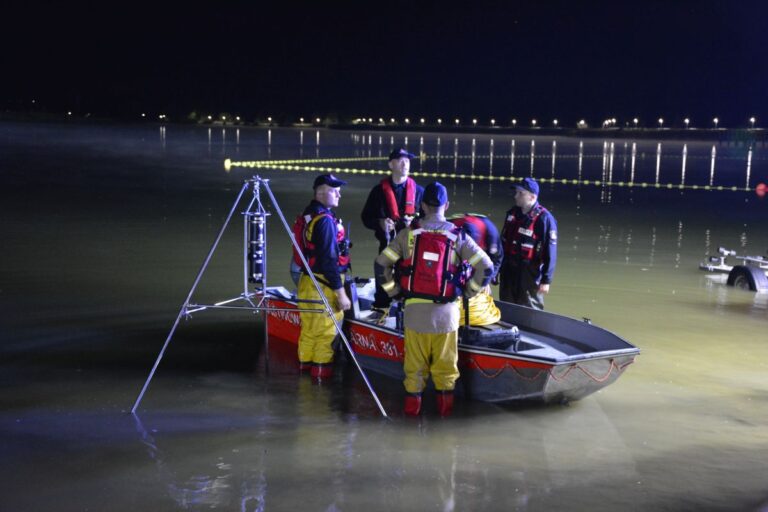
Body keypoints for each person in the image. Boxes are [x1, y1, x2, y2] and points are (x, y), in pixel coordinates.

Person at [374, 182, 493, 417]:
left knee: (414, 372)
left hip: (414, 315)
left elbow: (381, 264)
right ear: (446, 205)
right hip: (447, 316)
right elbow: (487, 268)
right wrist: (469, 291)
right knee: (446, 372)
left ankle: (411, 420)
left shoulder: (408, 234)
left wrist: (394, 292)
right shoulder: (458, 236)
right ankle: (444, 425)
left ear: (422, 205)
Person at [295, 174, 352, 380]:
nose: (339, 193)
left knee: (309, 333)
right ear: (320, 191)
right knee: (326, 336)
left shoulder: (309, 215)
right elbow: (329, 261)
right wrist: (341, 294)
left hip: (306, 282)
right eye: (334, 189)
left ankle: (304, 382)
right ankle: (319, 389)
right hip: (323, 286)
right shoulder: (325, 221)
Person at [361, 148, 424, 309]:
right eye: (401, 160)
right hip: (387, 246)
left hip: (413, 250)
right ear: (391, 164)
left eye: (408, 161)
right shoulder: (378, 192)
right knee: (383, 282)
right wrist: (380, 223)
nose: (405, 164)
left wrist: (415, 224)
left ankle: (407, 312)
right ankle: (381, 310)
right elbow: (365, 218)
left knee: (411, 285)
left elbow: (430, 221)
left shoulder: (419, 192)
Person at [499, 177, 557, 310]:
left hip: (529, 272)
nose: (516, 196)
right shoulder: (512, 214)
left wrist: (546, 281)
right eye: (516, 192)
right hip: (508, 269)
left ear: (532, 197)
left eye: (521, 193)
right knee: (506, 306)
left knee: (530, 308)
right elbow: (503, 242)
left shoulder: (544, 219)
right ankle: (507, 329)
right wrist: (496, 270)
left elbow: (550, 251)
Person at [448, 213, 502, 326]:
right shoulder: (451, 229)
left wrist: (487, 280)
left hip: (483, 260)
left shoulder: (490, 234)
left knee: (483, 286)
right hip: (456, 255)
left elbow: (497, 259)